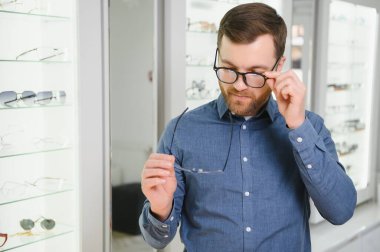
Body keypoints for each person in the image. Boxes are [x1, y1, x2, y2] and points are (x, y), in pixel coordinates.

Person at [139, 3, 357, 251]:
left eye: (255, 73)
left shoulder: (310, 127)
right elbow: (157, 239)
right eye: (229, 69)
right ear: (218, 56)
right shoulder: (182, 131)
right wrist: (160, 208)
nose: (240, 85)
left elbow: (341, 211)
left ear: (279, 66)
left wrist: (298, 127)